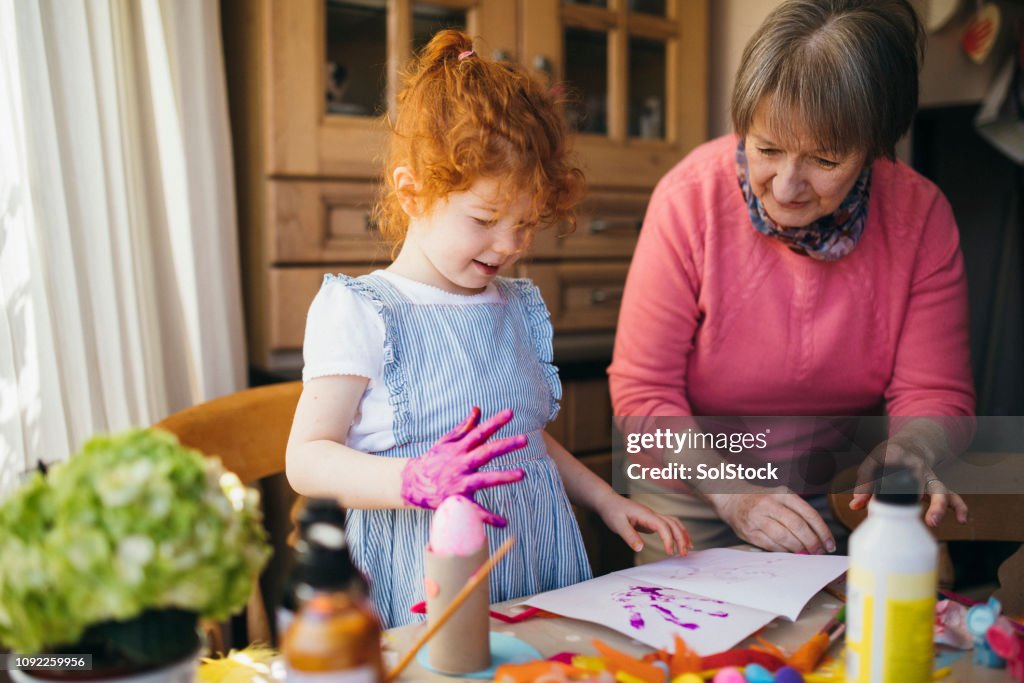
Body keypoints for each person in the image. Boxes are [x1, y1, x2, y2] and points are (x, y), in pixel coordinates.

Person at [287, 29, 691, 628]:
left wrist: (604, 499)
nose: (509, 245)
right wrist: (413, 477)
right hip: (427, 572)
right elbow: (307, 459)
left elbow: (523, 436)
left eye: (526, 224)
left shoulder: (515, 304)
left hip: (533, 561)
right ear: (413, 192)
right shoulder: (361, 309)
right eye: (485, 219)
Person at [608, 0, 974, 563]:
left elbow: (935, 394)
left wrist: (911, 451)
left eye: (824, 159)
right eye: (767, 149)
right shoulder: (688, 200)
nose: (785, 187)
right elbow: (642, 397)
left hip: (841, 492)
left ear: (877, 147)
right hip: (694, 494)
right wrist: (733, 494)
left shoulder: (919, 216)